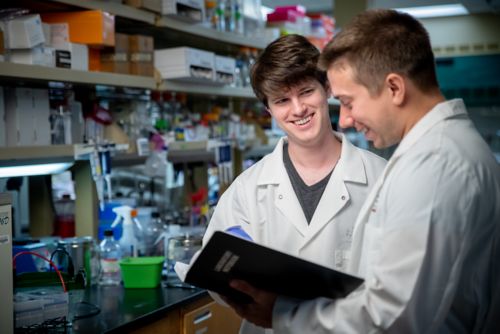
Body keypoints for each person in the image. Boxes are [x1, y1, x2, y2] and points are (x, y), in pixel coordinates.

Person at [223, 9, 500, 333]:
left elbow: (394, 317)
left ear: (394, 88)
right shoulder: (440, 152)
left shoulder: (436, 164)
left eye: (349, 101)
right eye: (282, 100)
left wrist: (284, 316)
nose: (345, 119)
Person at [201, 34, 387, 334]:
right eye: (282, 100)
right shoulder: (247, 188)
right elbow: (216, 272)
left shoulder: (381, 177)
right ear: (269, 110)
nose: (298, 109)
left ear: (326, 88)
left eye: (306, 92)